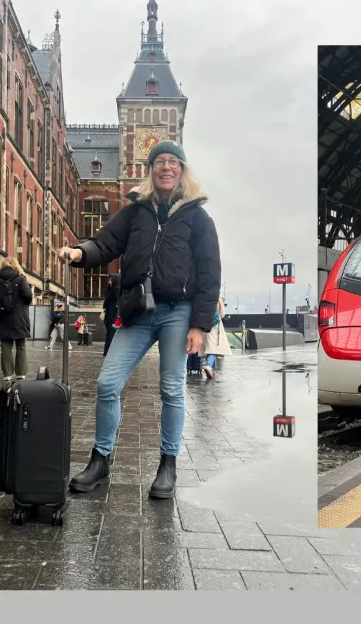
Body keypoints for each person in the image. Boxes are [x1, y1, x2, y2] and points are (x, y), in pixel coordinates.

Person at [56, 140, 221, 500]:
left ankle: (168, 465)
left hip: (177, 311)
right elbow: (104, 243)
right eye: (159, 162)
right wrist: (79, 252)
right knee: (107, 383)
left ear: (182, 170)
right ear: (150, 170)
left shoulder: (198, 218)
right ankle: (100, 460)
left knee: (171, 389)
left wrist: (199, 325)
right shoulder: (135, 212)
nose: (166, 167)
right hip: (137, 310)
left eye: (173, 162)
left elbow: (210, 274)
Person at [0, 256, 33, 382]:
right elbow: (28, 296)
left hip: (3, 318)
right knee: (21, 344)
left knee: (6, 345)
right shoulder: (21, 279)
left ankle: (7, 374)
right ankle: (21, 373)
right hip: (19, 317)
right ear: (16, 266)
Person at [200, 296, 232, 379]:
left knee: (208, 347)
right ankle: (209, 366)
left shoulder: (203, 298)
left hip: (204, 324)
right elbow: (222, 314)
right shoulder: (218, 299)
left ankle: (212, 371)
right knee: (214, 348)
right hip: (215, 326)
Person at [101, 274, 122, 357]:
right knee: (110, 335)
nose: (109, 281)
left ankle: (110, 352)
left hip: (113, 317)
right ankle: (108, 352)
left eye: (111, 279)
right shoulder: (111, 290)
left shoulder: (116, 291)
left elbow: (108, 302)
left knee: (111, 335)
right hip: (110, 316)